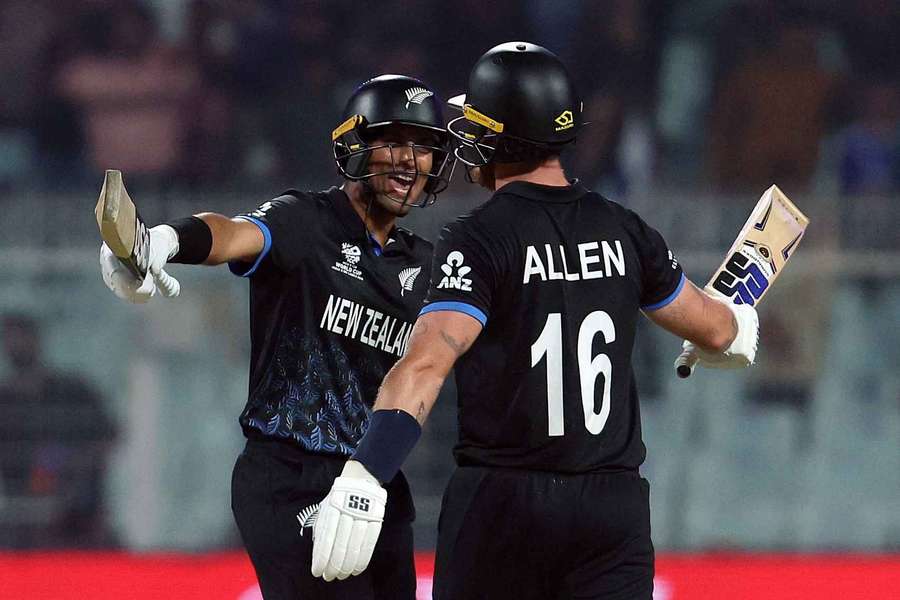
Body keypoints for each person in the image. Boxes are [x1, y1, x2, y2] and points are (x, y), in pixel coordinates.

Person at [311, 43, 759, 599]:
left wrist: (366, 472)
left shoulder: (477, 238)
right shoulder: (624, 228)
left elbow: (426, 363)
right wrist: (739, 325)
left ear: (495, 136)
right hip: (611, 511)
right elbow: (716, 330)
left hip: (504, 507)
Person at [99, 74, 454, 599]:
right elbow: (231, 234)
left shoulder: (425, 264)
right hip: (290, 479)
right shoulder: (305, 219)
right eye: (395, 140)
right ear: (355, 144)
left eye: (424, 145)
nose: (410, 160)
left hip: (375, 480)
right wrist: (166, 241)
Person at [0, 313, 116, 549]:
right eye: (8, 337)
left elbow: (108, 437)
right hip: (18, 518)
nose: (15, 344)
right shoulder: (5, 400)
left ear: (36, 339)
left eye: (20, 335)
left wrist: (71, 471)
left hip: (77, 518)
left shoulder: (72, 392)